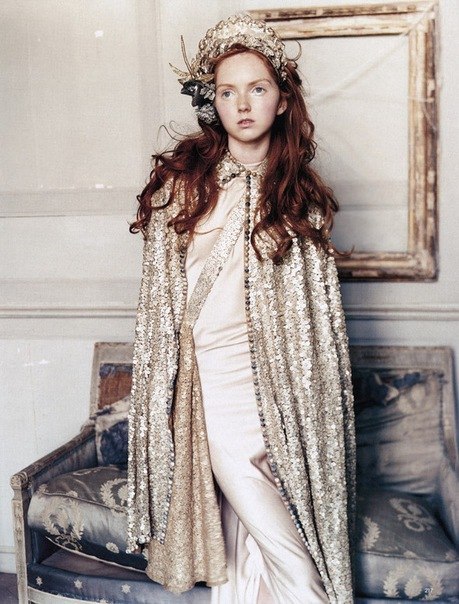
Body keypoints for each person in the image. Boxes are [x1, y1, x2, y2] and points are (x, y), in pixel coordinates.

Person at [127, 13, 356, 604]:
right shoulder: (183, 186)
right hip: (209, 377)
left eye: (257, 88)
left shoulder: (299, 196)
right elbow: (160, 299)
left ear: (282, 100)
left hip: (277, 380)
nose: (243, 105)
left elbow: (314, 321)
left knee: (261, 521)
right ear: (213, 101)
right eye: (228, 92)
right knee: (255, 503)